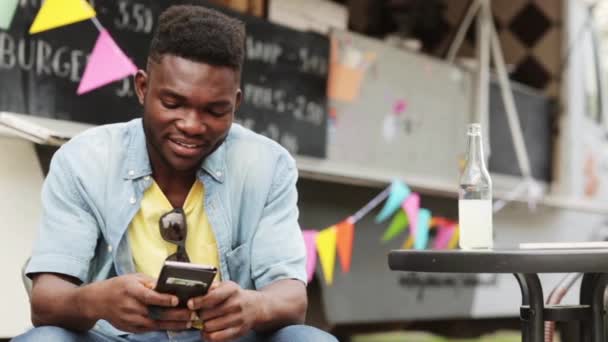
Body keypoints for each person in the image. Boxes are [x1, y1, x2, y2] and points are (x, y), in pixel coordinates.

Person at [13, 5, 337, 342]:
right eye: (173, 103)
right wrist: (99, 301)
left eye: (215, 110)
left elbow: (292, 298)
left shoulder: (268, 166)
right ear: (142, 87)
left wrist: (254, 306)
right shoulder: (84, 161)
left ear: (236, 103)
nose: (192, 125)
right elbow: (46, 301)